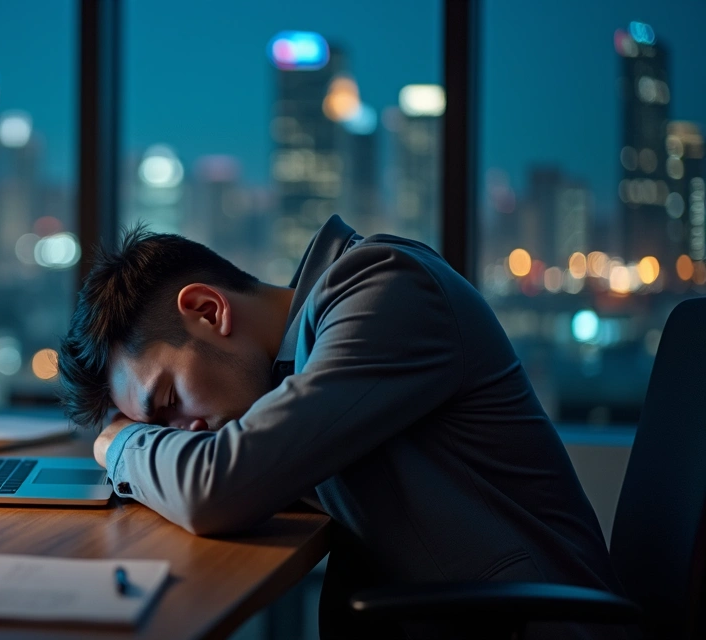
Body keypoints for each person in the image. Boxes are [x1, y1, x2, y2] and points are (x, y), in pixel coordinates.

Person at [57, 215, 629, 639]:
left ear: (209, 310)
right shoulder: (287, 375)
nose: (187, 432)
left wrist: (124, 443)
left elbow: (218, 486)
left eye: (169, 403)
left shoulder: (385, 287)